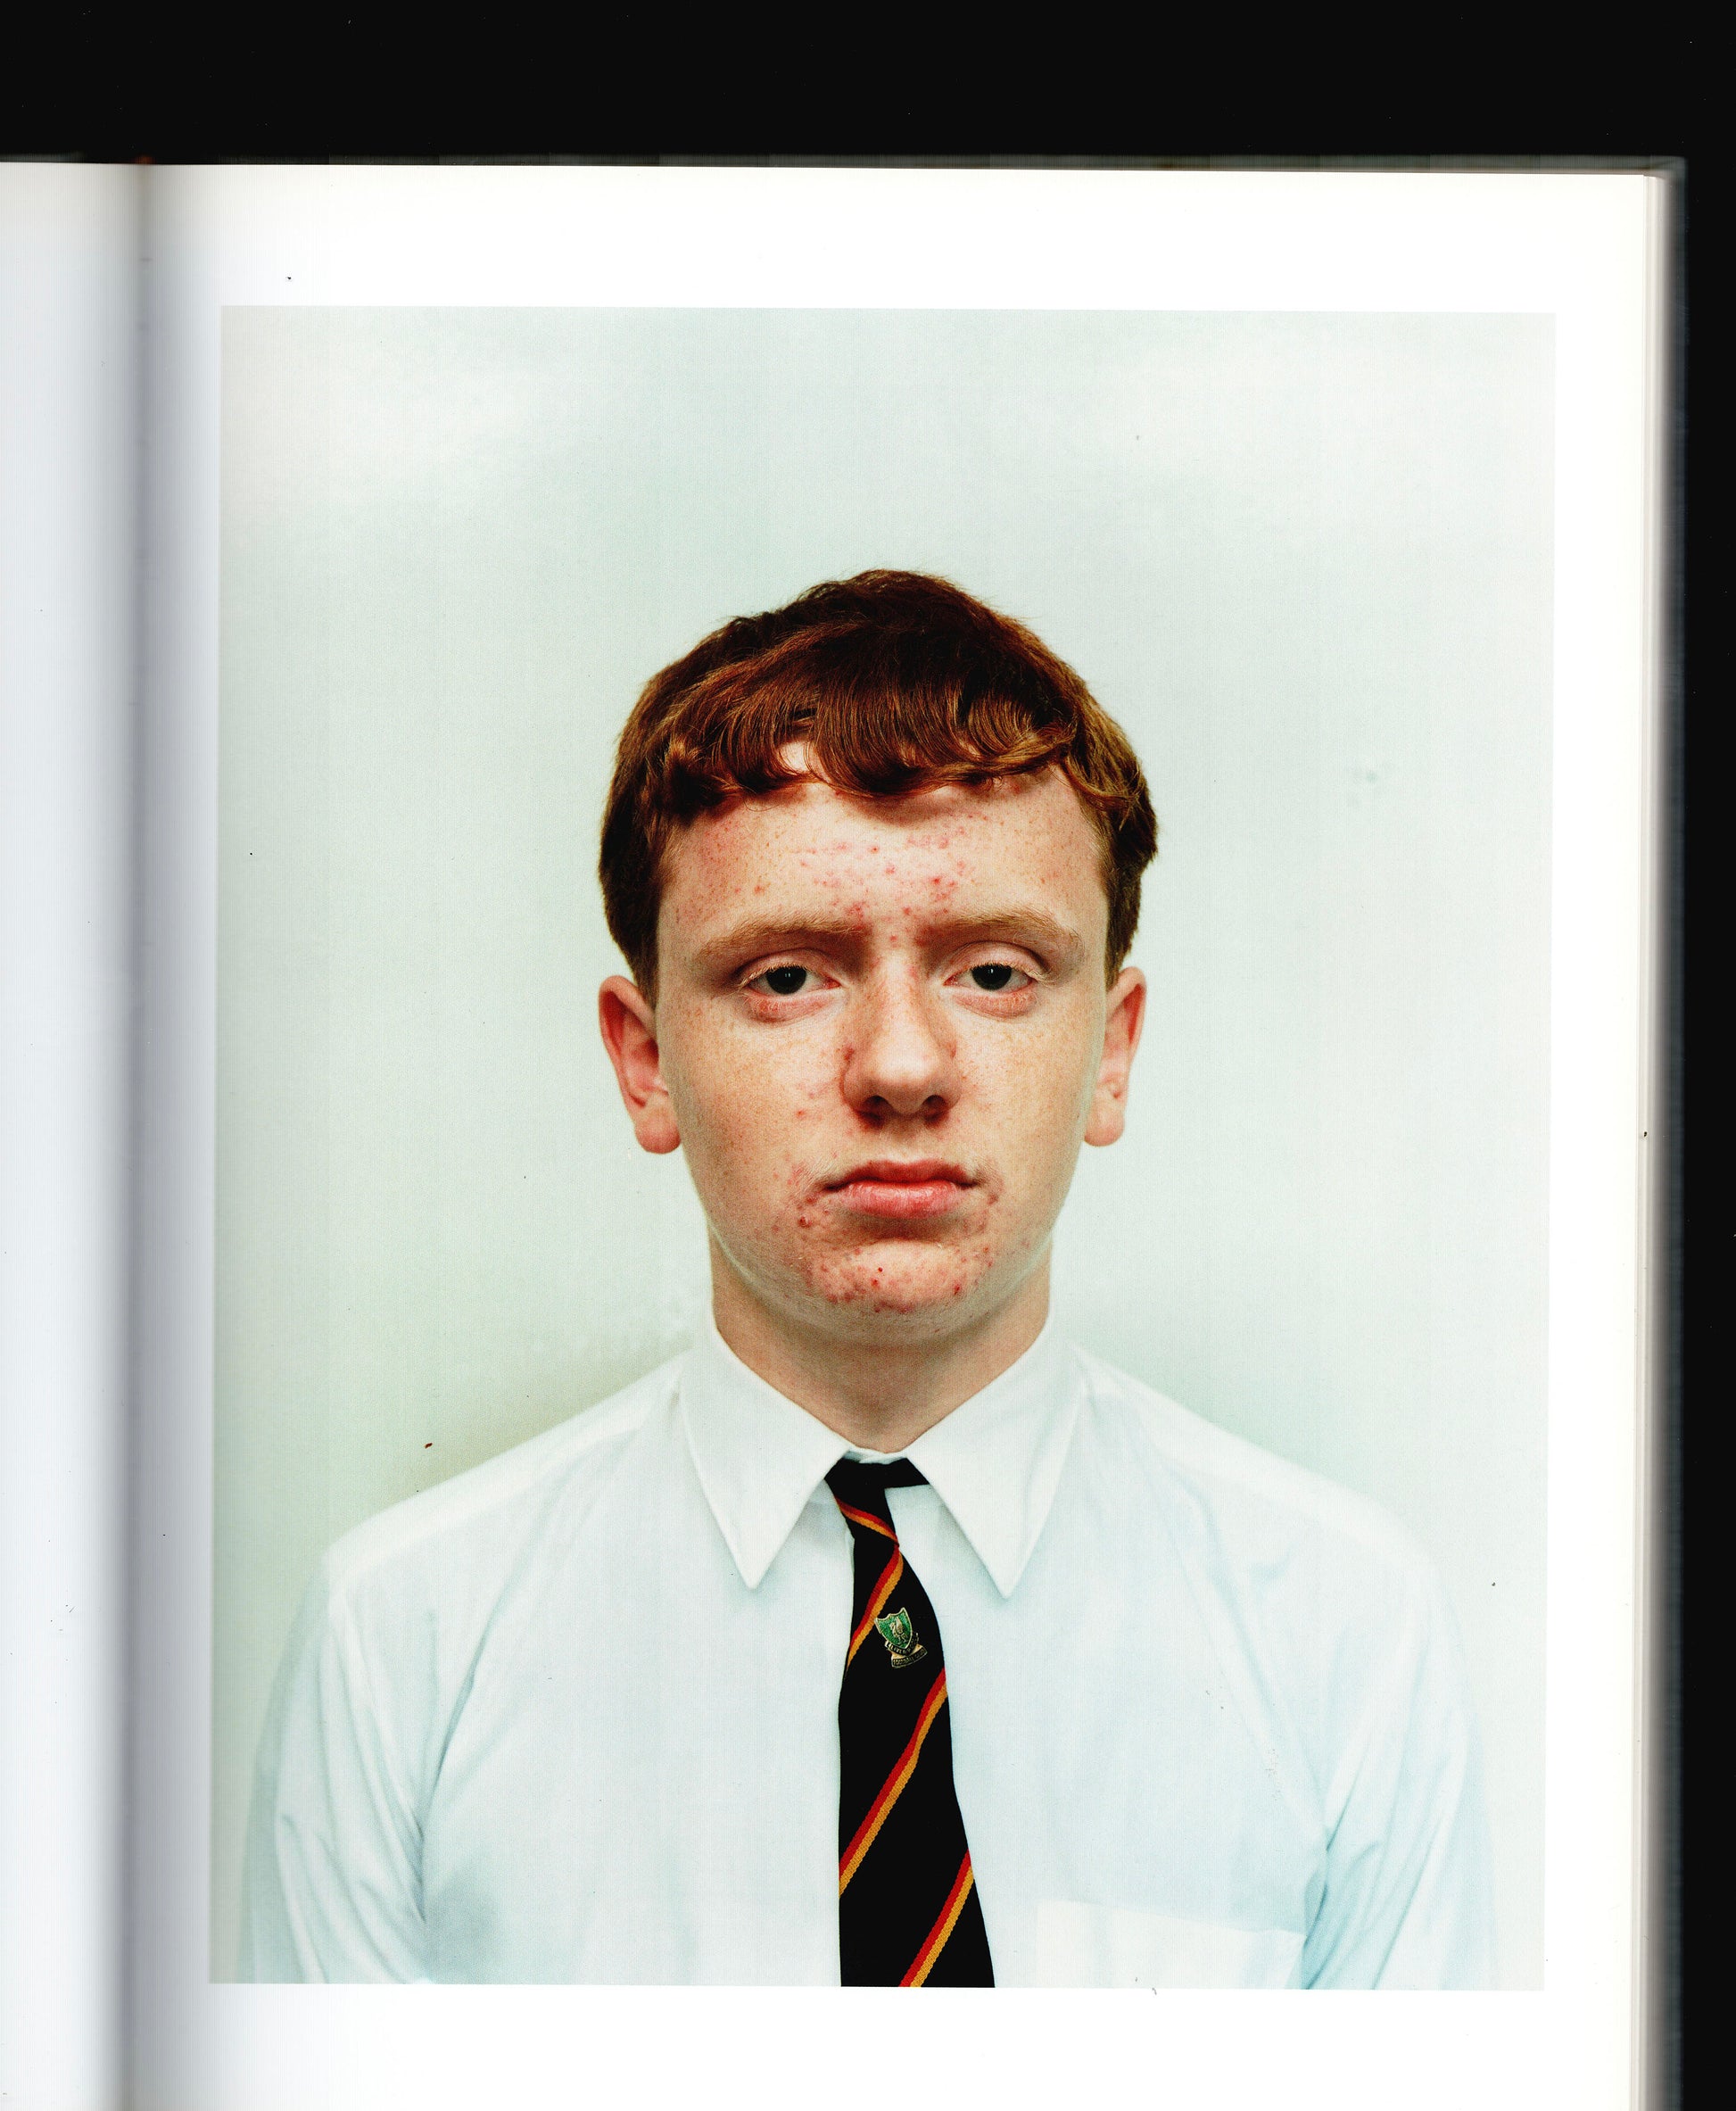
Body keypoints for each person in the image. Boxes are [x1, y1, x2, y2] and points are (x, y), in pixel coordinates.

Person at [241, 569, 1493, 1988]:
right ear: (644, 1061)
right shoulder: (401, 1645)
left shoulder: (1342, 1631)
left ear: (1113, 1047)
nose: (900, 1066)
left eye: (995, 973)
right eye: (787, 976)